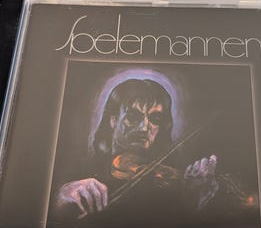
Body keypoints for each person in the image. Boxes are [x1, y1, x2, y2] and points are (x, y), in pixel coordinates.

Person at [55, 78, 218, 219]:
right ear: (113, 119)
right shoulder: (84, 166)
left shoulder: (169, 180)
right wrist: (60, 197)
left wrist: (192, 203)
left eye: (155, 119)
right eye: (133, 116)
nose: (144, 127)